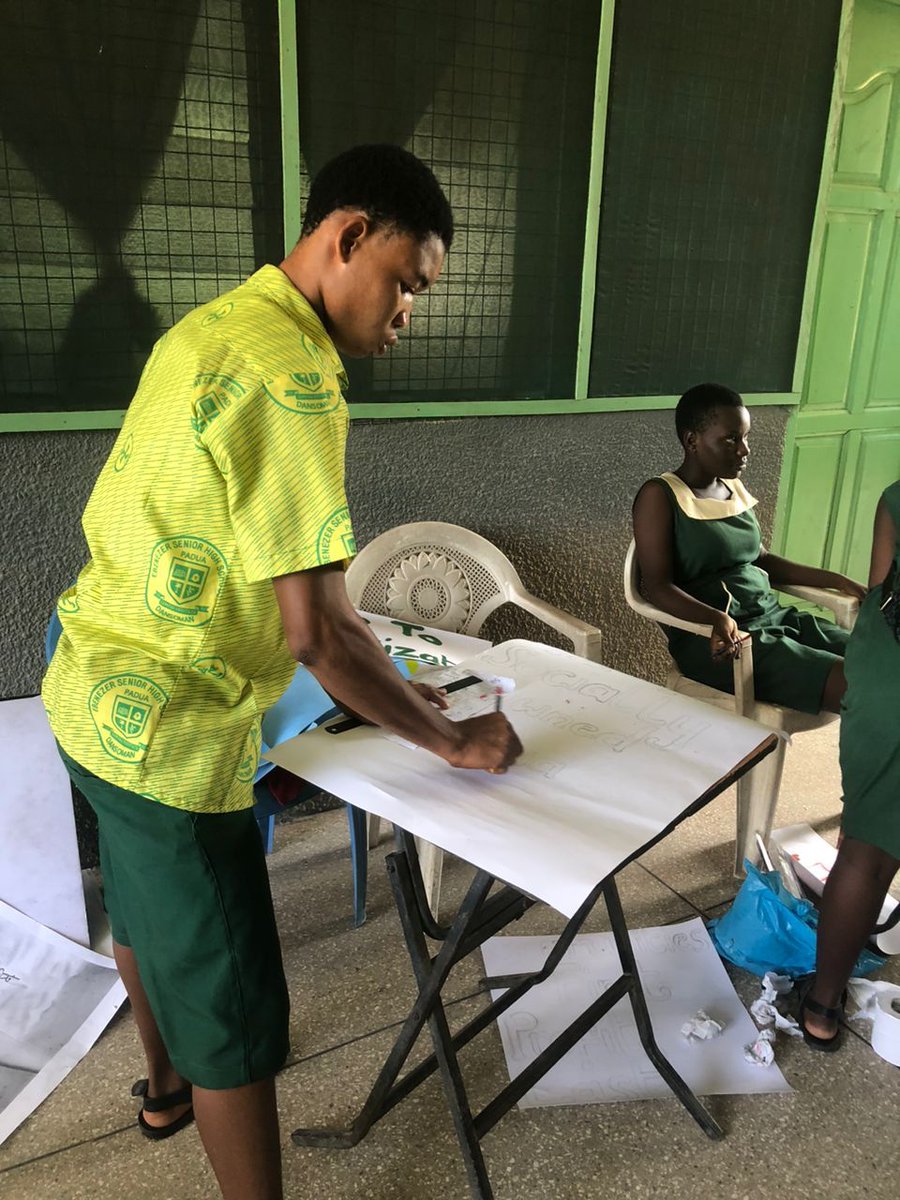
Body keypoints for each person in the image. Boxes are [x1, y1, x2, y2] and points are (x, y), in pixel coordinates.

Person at [42, 144, 522, 1200]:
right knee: (237, 1013)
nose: (407, 314)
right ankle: (210, 1097)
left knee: (141, 910)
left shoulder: (217, 324)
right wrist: (450, 737)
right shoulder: (297, 376)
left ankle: (165, 1089)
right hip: (173, 738)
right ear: (348, 237)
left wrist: (384, 688)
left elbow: (255, 566)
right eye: (405, 282)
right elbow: (322, 634)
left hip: (86, 683)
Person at [631, 382, 866, 715]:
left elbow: (761, 559)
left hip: (774, 618)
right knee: (861, 684)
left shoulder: (732, 488)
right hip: (718, 640)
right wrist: (714, 618)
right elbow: (657, 587)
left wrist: (836, 580)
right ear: (692, 441)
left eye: (745, 437)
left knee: (881, 658)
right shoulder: (660, 495)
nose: (744, 450)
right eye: (731, 439)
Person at [798, 481, 900, 1050]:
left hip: (891, 678)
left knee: (867, 850)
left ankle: (822, 1005)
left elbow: (883, 595)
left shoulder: (896, 497)